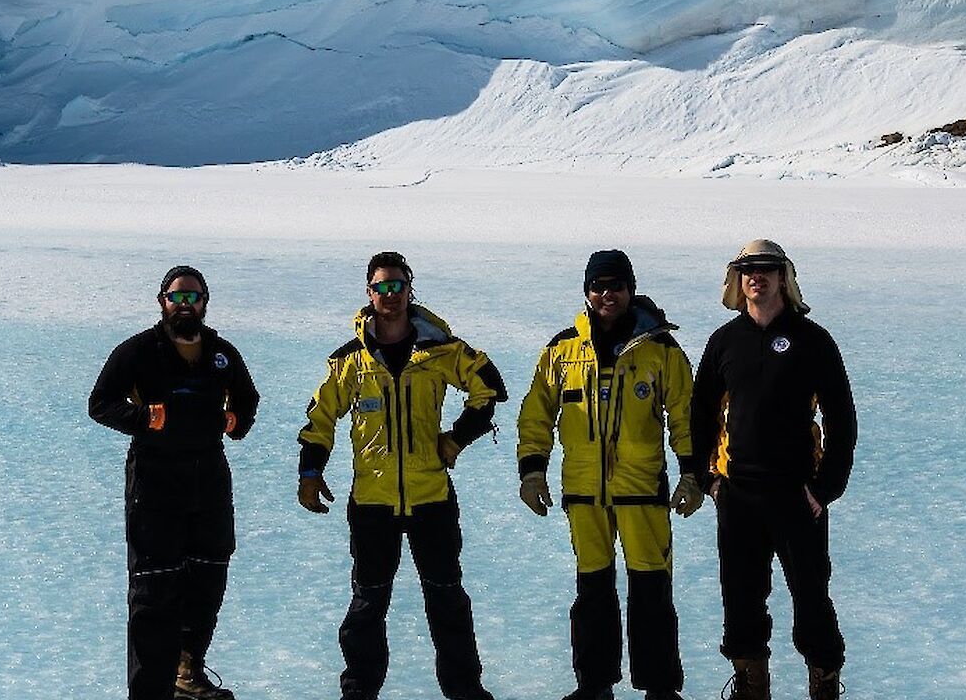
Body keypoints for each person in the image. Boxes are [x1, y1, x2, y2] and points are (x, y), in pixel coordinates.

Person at [296, 251, 510, 700]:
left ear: (410, 291)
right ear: (369, 293)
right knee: (368, 604)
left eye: (398, 287)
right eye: (381, 288)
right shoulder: (350, 362)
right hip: (372, 502)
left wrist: (455, 439)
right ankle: (359, 692)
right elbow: (321, 418)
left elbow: (489, 387)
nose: (390, 296)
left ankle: (465, 691)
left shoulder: (438, 351)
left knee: (447, 599)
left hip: (431, 496)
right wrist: (311, 472)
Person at [517, 250, 703, 700]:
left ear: (630, 289)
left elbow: (685, 415)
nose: (607, 295)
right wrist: (532, 471)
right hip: (584, 493)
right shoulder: (562, 350)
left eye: (616, 286)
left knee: (651, 592)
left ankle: (660, 689)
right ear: (586, 292)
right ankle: (594, 685)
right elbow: (536, 414)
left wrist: (692, 474)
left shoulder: (660, 349)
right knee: (593, 592)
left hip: (643, 491)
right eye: (598, 286)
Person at [689, 240, 857, 700]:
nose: (755, 277)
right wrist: (707, 479)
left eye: (765, 269)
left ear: (784, 277)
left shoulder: (813, 340)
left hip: (796, 496)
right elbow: (700, 413)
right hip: (738, 495)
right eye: (747, 269)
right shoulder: (725, 341)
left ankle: (824, 687)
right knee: (741, 601)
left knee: (812, 600)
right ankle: (750, 686)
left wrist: (825, 489)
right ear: (736, 279)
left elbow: (842, 419)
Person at [88, 266, 261, 700]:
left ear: (205, 302)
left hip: (209, 481)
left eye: (193, 298)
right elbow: (100, 403)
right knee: (154, 589)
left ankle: (188, 672)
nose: (185, 305)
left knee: (208, 577)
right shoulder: (139, 352)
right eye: (176, 297)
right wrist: (141, 419)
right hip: (155, 483)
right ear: (161, 301)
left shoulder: (222, 354)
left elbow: (248, 398)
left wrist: (236, 421)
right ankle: (150, 692)